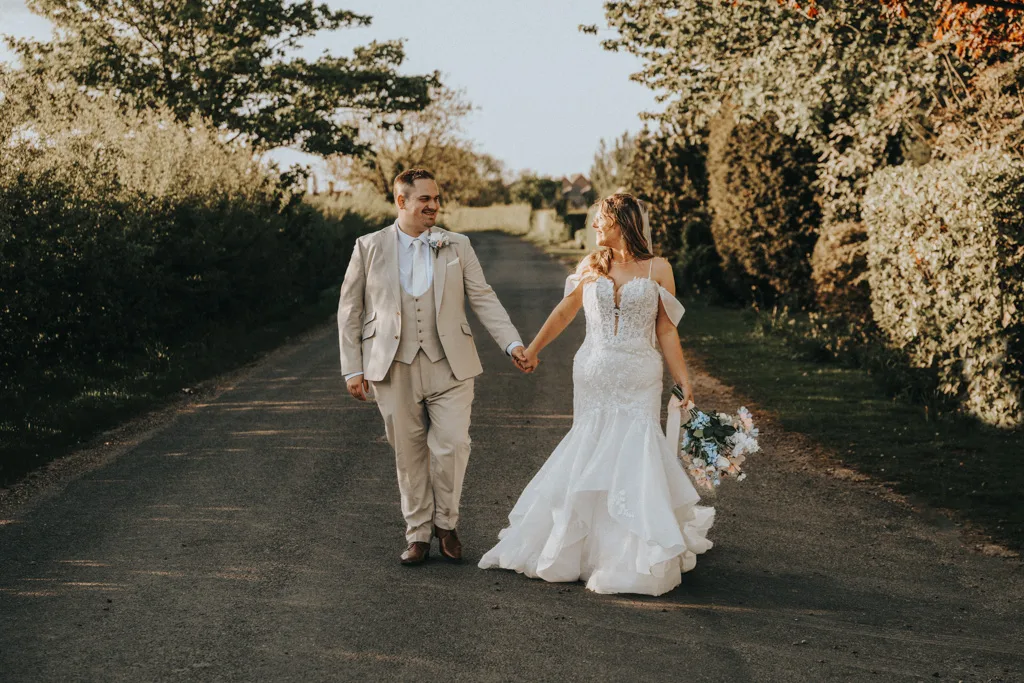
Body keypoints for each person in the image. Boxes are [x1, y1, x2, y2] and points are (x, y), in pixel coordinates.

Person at [478, 193, 714, 596]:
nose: (594, 226)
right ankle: (577, 545)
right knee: (591, 445)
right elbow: (565, 312)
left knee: (634, 451)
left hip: (639, 372)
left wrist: (684, 378)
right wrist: (532, 350)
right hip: (593, 372)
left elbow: (666, 329)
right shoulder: (590, 264)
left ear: (622, 221)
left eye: (600, 219)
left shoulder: (659, 268)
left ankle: (631, 549)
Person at [338, 168, 535, 566]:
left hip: (452, 364)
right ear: (401, 202)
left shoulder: (457, 245)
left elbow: (483, 297)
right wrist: (352, 368)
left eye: (436, 198)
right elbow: (350, 309)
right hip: (392, 366)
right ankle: (418, 534)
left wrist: (512, 343)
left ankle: (447, 524)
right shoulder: (369, 246)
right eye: (424, 198)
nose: (433, 205)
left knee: (453, 445)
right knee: (407, 454)